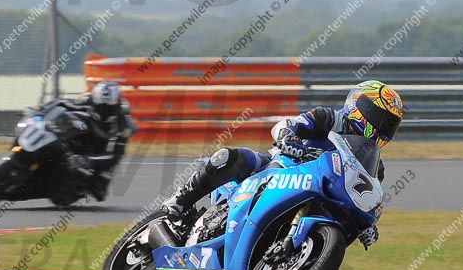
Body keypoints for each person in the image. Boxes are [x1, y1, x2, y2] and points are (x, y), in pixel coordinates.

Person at [162, 80, 404, 249]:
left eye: (390, 124)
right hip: (284, 164)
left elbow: (364, 195)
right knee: (231, 157)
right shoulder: (329, 118)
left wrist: (366, 225)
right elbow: (288, 124)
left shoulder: (374, 164)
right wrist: (289, 139)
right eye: (380, 118)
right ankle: (178, 201)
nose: (383, 128)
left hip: (321, 194)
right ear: (359, 105)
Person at [34, 81, 136, 202]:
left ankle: (77, 184)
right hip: (83, 132)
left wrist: (86, 161)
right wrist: (41, 110)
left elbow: (115, 157)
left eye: (108, 108)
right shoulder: (85, 99)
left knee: (99, 190)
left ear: (116, 105)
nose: (104, 110)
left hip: (101, 147)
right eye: (100, 106)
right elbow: (61, 103)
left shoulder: (124, 124)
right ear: (94, 100)